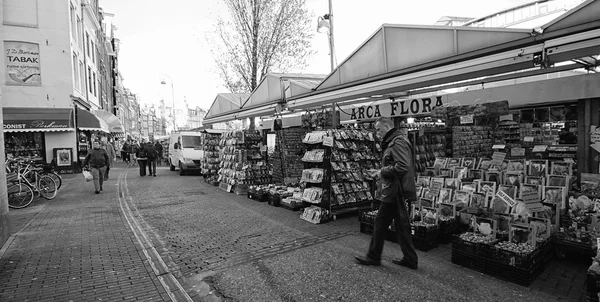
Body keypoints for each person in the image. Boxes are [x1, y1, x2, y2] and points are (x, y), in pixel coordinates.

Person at [355, 117, 419, 270]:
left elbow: (403, 166)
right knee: (400, 225)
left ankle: (374, 256)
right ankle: (410, 259)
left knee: (382, 223)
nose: (377, 133)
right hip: (394, 190)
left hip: (395, 191)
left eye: (378, 129)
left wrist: (380, 172)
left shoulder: (398, 142)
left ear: (387, 126)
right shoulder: (394, 141)